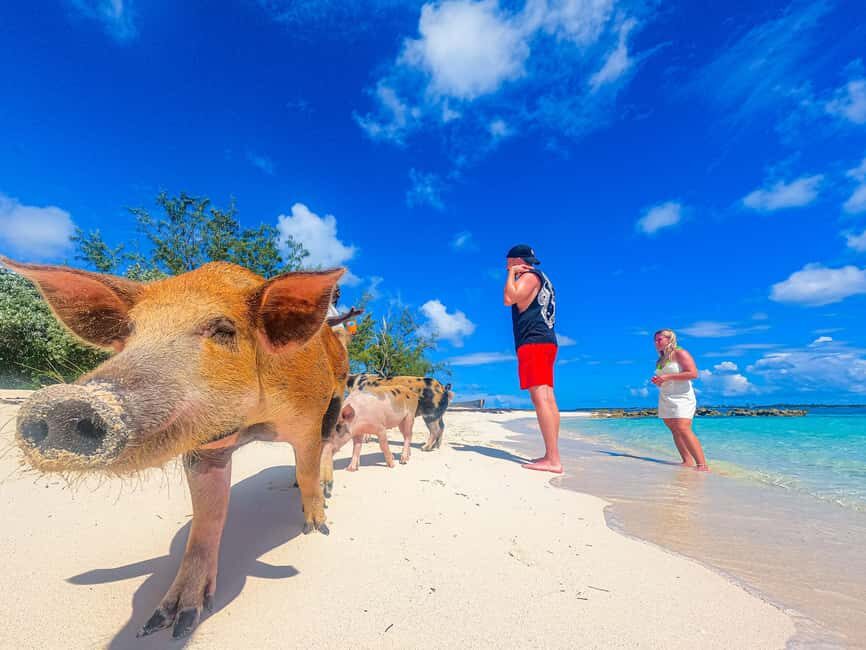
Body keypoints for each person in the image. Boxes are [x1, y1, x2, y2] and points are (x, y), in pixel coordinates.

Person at [503, 244, 562, 473]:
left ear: (514, 260)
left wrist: (511, 274)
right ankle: (551, 454)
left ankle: (553, 459)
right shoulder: (542, 277)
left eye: (509, 263)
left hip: (535, 342)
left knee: (541, 399)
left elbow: (510, 298)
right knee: (547, 397)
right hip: (544, 341)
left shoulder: (528, 276)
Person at [651, 329, 708, 471]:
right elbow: (665, 377)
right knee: (674, 429)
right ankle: (687, 461)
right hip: (666, 396)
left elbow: (693, 373)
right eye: (655, 340)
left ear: (669, 339)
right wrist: (659, 381)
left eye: (660, 339)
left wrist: (667, 377)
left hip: (682, 396)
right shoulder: (661, 359)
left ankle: (702, 465)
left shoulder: (680, 353)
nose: (656, 343)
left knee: (683, 427)